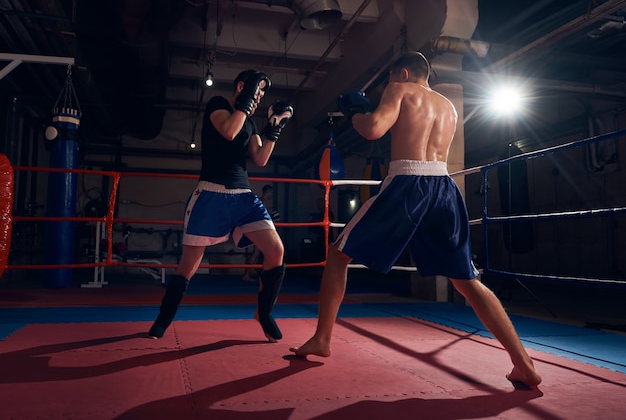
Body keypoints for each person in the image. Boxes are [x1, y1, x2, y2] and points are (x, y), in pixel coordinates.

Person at [289, 51, 542, 387]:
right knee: (466, 280)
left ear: (403, 73)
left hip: (408, 183)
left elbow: (374, 129)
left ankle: (322, 339)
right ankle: (523, 363)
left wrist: (356, 112)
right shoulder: (448, 106)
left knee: (337, 254)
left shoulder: (401, 88)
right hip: (445, 187)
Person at [148, 69, 293, 343]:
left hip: (244, 196)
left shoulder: (249, 123)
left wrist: (273, 128)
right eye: (256, 91)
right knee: (189, 265)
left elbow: (260, 158)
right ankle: (163, 319)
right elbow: (228, 131)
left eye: (261, 94)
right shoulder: (218, 104)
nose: (259, 97)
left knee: (276, 250)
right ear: (242, 87)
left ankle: (264, 313)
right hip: (211, 193)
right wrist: (245, 102)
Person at [242, 184, 280, 281]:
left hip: (258, 229)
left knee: (257, 253)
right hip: (260, 230)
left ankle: (251, 273)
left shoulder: (263, 201)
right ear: (268, 192)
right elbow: (261, 217)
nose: (272, 194)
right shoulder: (262, 201)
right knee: (256, 253)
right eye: (271, 192)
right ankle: (247, 274)